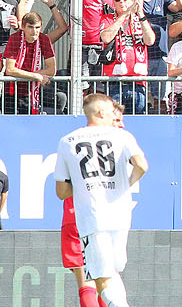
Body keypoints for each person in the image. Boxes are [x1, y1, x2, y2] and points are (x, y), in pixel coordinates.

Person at [54, 92, 149, 307]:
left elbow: (61, 192)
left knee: (100, 278)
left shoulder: (68, 141)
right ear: (101, 112)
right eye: (112, 115)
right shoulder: (123, 137)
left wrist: (81, 184)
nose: (116, 121)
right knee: (113, 274)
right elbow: (142, 166)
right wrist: (127, 183)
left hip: (92, 217)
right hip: (122, 215)